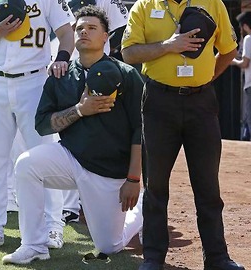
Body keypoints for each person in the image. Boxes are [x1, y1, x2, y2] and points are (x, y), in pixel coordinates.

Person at [2, 5, 144, 265]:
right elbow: (43, 125)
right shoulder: (61, 73)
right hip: (70, 159)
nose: (84, 33)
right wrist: (79, 110)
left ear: (106, 36)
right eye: (79, 28)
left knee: (108, 246)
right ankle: (34, 244)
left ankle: (141, 208)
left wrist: (134, 178)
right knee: (26, 164)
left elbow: (140, 129)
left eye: (92, 28)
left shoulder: (127, 75)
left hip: (109, 171)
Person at [121, 0, 245, 269]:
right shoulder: (144, 6)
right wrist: (168, 46)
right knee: (155, 185)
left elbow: (229, 49)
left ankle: (217, 257)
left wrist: (207, 77)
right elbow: (128, 53)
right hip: (158, 102)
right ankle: (153, 257)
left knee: (208, 185)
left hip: (201, 103)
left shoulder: (213, 3)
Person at [0, 0, 75, 250]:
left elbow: (66, 31)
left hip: (34, 82)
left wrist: (63, 57)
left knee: (43, 157)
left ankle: (53, 226)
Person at [58, 0, 130, 226]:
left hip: (101, 70)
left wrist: (108, 52)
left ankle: (98, 200)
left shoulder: (108, 1)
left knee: (100, 132)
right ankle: (69, 206)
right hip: (68, 68)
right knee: (68, 135)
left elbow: (122, 27)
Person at [232, 12, 251, 143]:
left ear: (245, 25)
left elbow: (244, 63)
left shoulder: (248, 39)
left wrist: (230, 61)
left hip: (250, 85)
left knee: (249, 118)